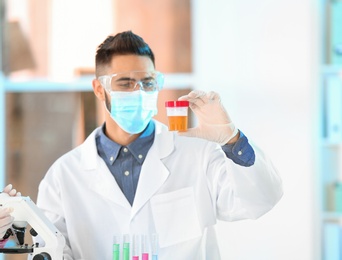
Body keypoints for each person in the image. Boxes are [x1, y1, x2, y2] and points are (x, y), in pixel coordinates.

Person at [36, 30, 283, 259]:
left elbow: (259, 200)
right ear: (100, 89)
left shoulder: (196, 154)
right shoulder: (64, 175)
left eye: (148, 82)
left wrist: (232, 139)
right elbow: (50, 251)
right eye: (125, 83)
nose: (139, 91)